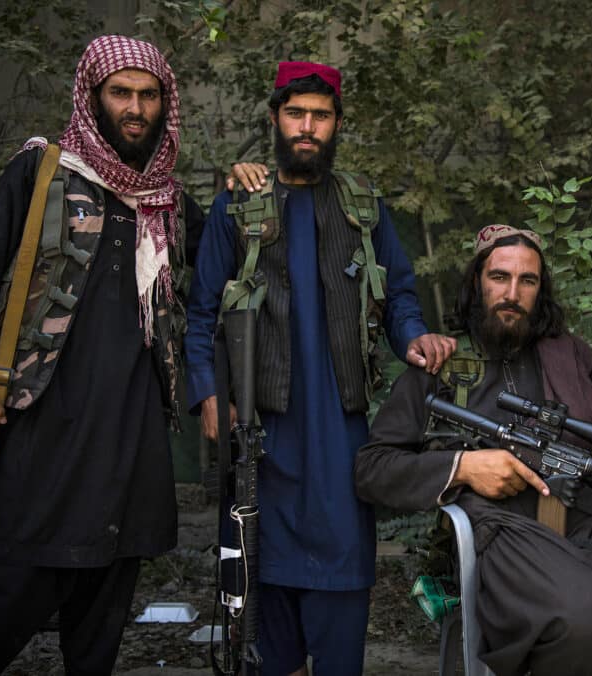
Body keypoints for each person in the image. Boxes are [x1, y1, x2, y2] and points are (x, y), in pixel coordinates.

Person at [355, 225, 592, 676]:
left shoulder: (571, 357)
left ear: (541, 291)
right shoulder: (439, 367)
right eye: (499, 277)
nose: (512, 293)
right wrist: (462, 466)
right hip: (507, 541)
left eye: (528, 281)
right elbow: (372, 468)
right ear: (476, 283)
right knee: (583, 618)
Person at [184, 61, 454, 676]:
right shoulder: (238, 205)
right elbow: (200, 314)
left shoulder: (363, 205)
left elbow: (400, 297)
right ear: (276, 119)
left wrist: (414, 339)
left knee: (341, 577)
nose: (308, 127)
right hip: (261, 428)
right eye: (296, 114)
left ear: (336, 125)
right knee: (261, 578)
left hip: (340, 434)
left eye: (321, 116)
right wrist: (208, 394)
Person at [0, 35, 205, 674]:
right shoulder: (41, 172)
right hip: (41, 432)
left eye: (148, 96)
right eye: (121, 93)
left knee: (98, 636)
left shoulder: (169, 203)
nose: (135, 108)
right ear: (93, 96)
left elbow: (218, 278)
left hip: (130, 444)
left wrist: (244, 182)